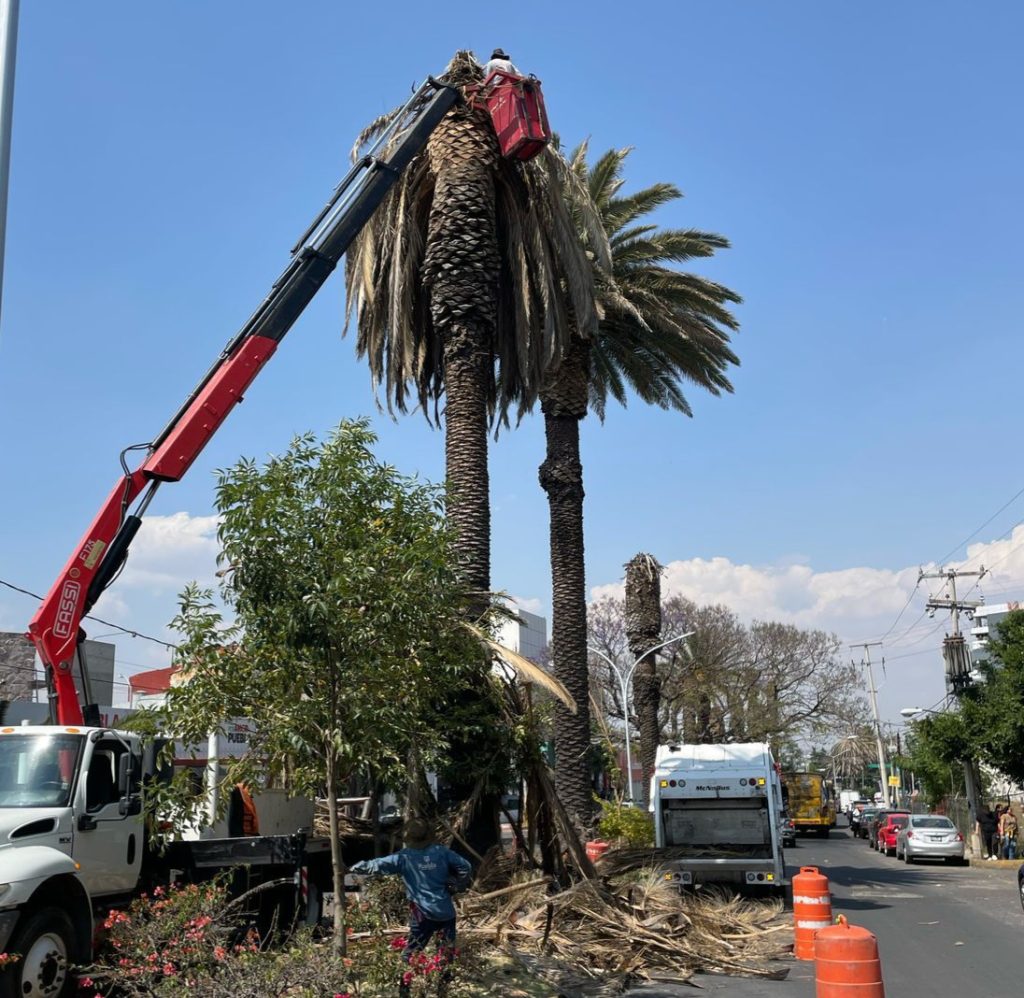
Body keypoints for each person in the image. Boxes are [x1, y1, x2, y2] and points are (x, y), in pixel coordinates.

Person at [349, 817, 473, 997]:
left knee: (412, 953)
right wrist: (456, 883)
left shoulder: (405, 857)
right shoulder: (441, 852)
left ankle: (404, 991)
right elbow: (466, 867)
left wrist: (355, 867)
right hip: (445, 911)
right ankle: (443, 990)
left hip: (422, 913)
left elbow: (377, 865)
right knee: (446, 953)